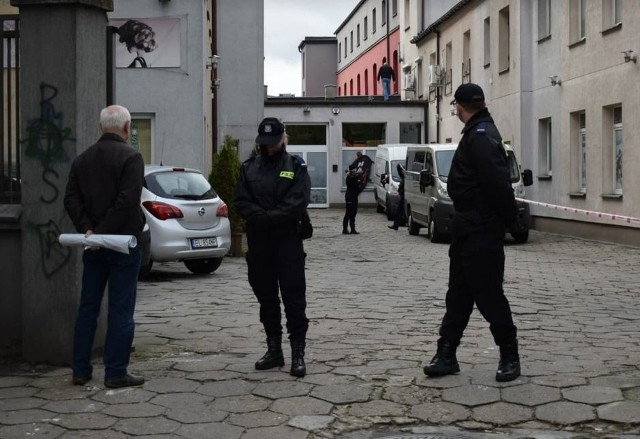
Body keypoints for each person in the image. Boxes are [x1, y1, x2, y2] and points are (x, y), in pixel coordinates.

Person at [423, 83, 522, 382]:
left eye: (455, 106)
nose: (454, 110)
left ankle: (509, 355)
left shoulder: (480, 136)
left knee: (489, 296)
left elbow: (498, 185)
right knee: (458, 296)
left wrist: (512, 223)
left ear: (461, 107)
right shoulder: (479, 132)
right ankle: (446, 354)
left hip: (481, 229)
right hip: (468, 229)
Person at [63, 105, 146, 389]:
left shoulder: (82, 159)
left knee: (88, 306)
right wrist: (102, 232)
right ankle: (115, 372)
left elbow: (71, 199)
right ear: (126, 128)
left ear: (101, 127)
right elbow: (127, 201)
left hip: (93, 246)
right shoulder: (132, 157)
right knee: (121, 309)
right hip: (123, 244)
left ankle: (80, 370)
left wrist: (89, 230)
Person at [235, 117, 311, 377]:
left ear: (283, 139)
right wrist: (263, 217)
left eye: (273, 143)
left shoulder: (295, 166)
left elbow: (298, 201)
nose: (268, 148)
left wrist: (270, 217)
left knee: (294, 299)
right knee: (266, 299)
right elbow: (241, 201)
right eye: (264, 143)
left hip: (287, 241)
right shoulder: (249, 168)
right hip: (259, 244)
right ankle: (274, 350)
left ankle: (298, 354)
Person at [388, 163, 406, 230]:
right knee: (401, 211)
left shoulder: (406, 178)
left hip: (405, 195)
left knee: (400, 211)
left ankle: (396, 225)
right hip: (403, 195)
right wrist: (398, 166)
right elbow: (400, 173)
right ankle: (396, 225)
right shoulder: (404, 177)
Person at [343, 168, 361, 234]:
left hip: (353, 197)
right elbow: (356, 183)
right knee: (348, 213)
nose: (355, 171)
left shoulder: (352, 177)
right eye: (354, 170)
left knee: (353, 213)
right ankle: (345, 229)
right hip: (350, 197)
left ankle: (352, 229)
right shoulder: (350, 178)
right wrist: (357, 176)